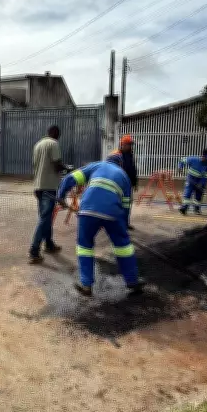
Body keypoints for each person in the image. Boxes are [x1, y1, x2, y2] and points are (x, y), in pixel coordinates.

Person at [56, 152, 142, 297]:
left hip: (88, 211)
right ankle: (132, 282)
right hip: (113, 213)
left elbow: (70, 178)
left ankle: (86, 285)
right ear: (120, 164)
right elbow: (126, 206)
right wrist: (122, 225)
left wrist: (60, 195)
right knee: (123, 247)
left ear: (107, 160)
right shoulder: (124, 176)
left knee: (85, 246)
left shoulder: (97, 166)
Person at [29, 125, 65, 264]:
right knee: (45, 219)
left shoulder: (38, 145)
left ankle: (49, 244)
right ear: (57, 134)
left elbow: (36, 165)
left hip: (38, 187)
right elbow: (56, 164)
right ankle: (34, 251)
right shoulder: (54, 144)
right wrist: (66, 168)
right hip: (49, 187)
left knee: (46, 218)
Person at [177, 149, 207, 215]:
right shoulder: (193, 159)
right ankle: (184, 208)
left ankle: (197, 209)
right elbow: (182, 160)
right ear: (203, 156)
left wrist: (201, 184)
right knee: (187, 194)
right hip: (190, 180)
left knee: (198, 196)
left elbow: (206, 176)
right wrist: (180, 167)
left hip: (200, 182)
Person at [118, 135, 138, 230]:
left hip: (128, 184)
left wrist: (135, 183)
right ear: (123, 144)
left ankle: (125, 223)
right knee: (117, 204)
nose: (130, 146)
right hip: (119, 184)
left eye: (130, 145)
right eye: (128, 144)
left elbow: (132, 169)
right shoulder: (118, 155)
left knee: (127, 206)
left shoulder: (130, 155)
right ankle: (116, 224)